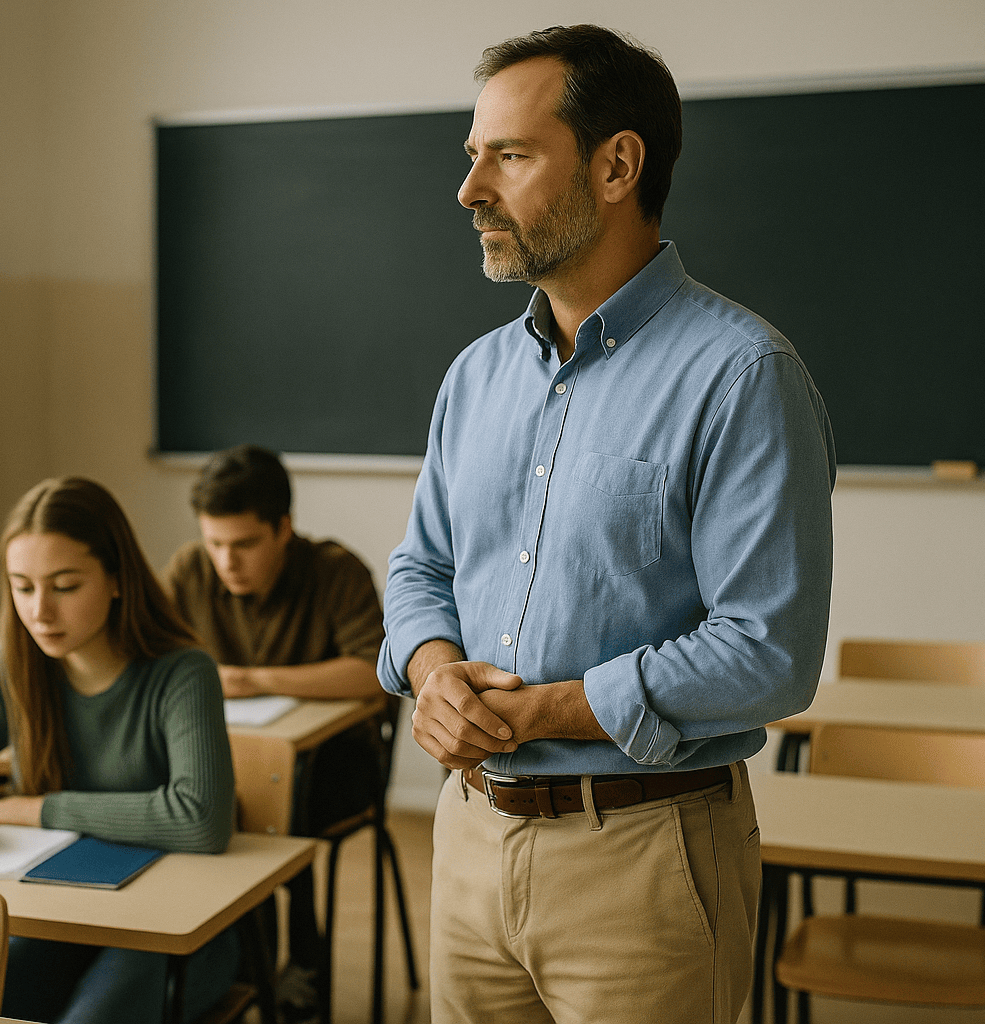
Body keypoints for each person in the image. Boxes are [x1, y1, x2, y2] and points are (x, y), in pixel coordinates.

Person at [378, 25, 836, 1023]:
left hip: (645, 855)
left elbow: (767, 652)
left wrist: (540, 711)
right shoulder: (476, 376)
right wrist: (432, 675)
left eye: (510, 155)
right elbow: (421, 567)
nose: (471, 192)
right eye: (474, 157)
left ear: (617, 164)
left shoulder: (743, 375)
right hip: (466, 839)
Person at [0, 477, 238, 1023]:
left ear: (117, 579)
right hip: (59, 915)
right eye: (22, 587)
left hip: (170, 930)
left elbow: (201, 819)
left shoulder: (183, 672)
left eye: (64, 586)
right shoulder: (16, 668)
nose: (40, 610)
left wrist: (35, 808)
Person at [164, 443, 387, 1021]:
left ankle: (283, 959)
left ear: (283, 528)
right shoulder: (190, 570)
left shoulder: (336, 570)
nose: (225, 562)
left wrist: (255, 679)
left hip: (337, 767)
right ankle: (246, 957)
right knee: (219, 797)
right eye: (214, 544)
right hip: (229, 762)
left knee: (274, 801)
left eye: (243, 545)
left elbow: (375, 673)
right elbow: (151, 662)